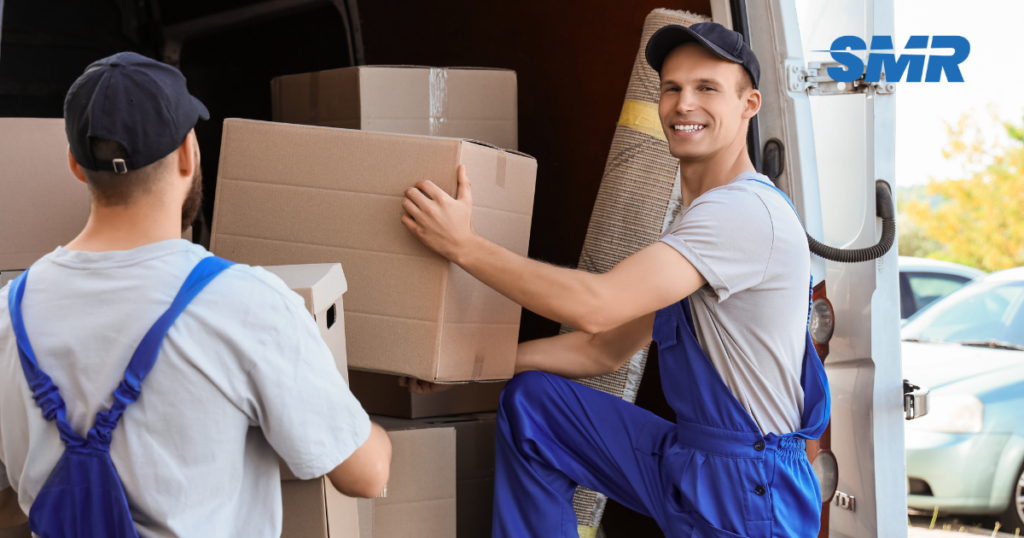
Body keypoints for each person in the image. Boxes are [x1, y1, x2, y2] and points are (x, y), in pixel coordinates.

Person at [400, 22, 829, 538]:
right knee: (535, 406)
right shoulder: (695, 225)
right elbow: (603, 350)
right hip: (690, 459)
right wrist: (468, 368)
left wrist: (463, 246)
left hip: (750, 489)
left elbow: (596, 307)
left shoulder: (741, 213)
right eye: (672, 88)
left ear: (749, 104)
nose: (683, 104)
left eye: (707, 88)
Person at [0, 52, 391, 537]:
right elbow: (366, 475)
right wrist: (377, 438)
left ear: (76, 166)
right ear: (189, 153)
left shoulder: (7, 313)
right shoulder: (244, 304)